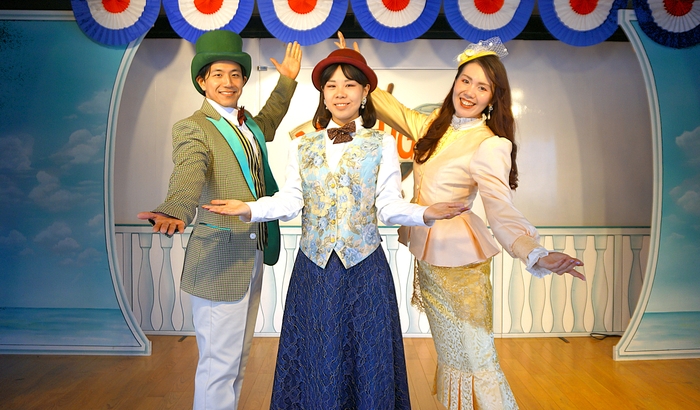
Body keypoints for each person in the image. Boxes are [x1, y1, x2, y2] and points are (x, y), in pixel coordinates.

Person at [203, 48, 468, 409]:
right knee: (316, 357)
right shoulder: (302, 145)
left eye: (349, 85)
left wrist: (425, 213)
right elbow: (290, 202)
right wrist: (249, 208)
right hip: (313, 270)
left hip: (365, 270)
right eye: (331, 86)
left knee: (367, 358)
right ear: (323, 94)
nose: (340, 93)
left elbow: (388, 206)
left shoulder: (382, 143)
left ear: (365, 92)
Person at [337, 34, 586, 409]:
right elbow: (392, 108)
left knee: (476, 358)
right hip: (430, 261)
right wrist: (359, 69)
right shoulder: (434, 128)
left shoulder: (490, 143)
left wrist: (535, 252)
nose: (470, 91)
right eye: (465, 80)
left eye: (482, 87)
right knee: (453, 357)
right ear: (454, 82)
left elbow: (500, 209)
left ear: (493, 98)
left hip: (462, 266)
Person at [137, 30, 301, 410]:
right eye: (218, 75)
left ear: (243, 80)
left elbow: (270, 119)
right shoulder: (193, 127)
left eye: (235, 74)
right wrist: (175, 209)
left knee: (236, 361)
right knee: (218, 366)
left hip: (253, 251)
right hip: (218, 259)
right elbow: (188, 172)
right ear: (202, 81)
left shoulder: (248, 125)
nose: (228, 82)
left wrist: (287, 81)